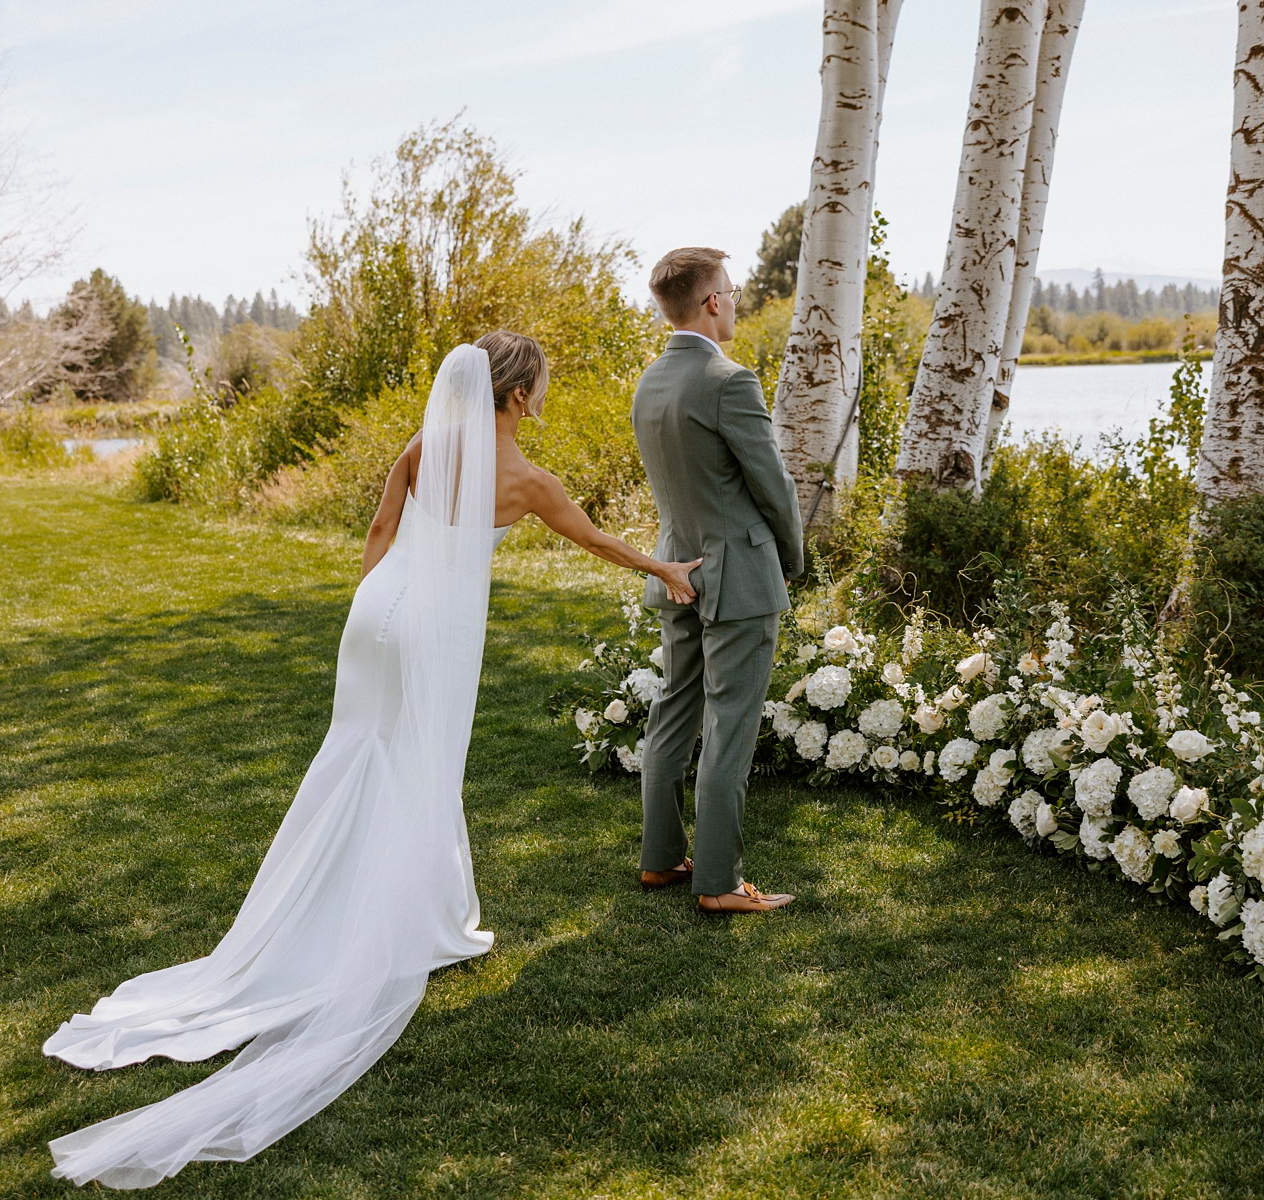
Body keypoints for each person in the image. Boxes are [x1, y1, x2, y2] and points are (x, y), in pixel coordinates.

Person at [43, 333, 699, 1188]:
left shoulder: (427, 445)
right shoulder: (529, 482)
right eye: (538, 385)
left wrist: (373, 607)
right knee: (415, 767)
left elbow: (382, 528)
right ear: (513, 397)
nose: (544, 394)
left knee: (355, 756)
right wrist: (664, 568)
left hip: (377, 611)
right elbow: (601, 544)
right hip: (433, 627)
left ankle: (401, 906)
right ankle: (399, 922)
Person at [631, 247, 805, 914]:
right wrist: (789, 557)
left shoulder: (651, 381)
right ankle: (721, 884)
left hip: (677, 567)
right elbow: (773, 486)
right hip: (737, 577)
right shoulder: (730, 381)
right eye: (730, 292)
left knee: (673, 709)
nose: (733, 302)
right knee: (730, 727)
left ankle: (661, 859)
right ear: (711, 302)